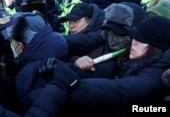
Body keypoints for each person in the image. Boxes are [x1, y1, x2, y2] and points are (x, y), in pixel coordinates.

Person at [40, 16, 170, 116]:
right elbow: (99, 72)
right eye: (134, 37)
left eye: (141, 40)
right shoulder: (128, 60)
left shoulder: (158, 75)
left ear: (157, 48)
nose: (134, 41)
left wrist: (70, 84)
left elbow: (120, 90)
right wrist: (60, 67)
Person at [5, 11, 68, 114]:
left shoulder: (27, 74)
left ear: (21, 45)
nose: (11, 44)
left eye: (12, 40)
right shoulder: (59, 52)